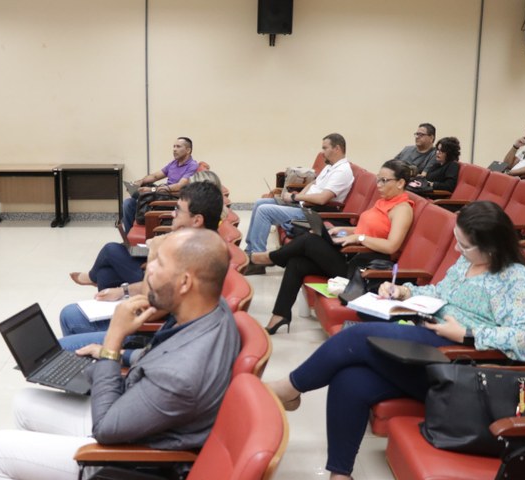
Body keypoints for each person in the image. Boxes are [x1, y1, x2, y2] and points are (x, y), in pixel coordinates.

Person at [267, 201, 525, 480]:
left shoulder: (517, 279)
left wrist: (465, 334)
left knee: (357, 336)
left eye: (464, 245)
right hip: (430, 349)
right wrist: (406, 293)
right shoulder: (467, 262)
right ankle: (340, 477)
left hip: (459, 366)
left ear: (493, 247)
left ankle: (291, 388)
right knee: (351, 379)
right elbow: (441, 294)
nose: (457, 249)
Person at [0, 228, 239, 480]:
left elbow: (104, 429)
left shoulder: (180, 373)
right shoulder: (212, 309)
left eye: (158, 263)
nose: (146, 268)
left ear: (185, 282)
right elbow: (157, 355)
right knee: (24, 402)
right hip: (139, 417)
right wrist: (115, 355)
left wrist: (113, 342)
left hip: (130, 466)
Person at [250, 160, 416, 334]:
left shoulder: (402, 209)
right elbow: (367, 229)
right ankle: (280, 315)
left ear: (400, 183)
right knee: (297, 262)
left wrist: (359, 237)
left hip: (365, 270)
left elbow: (391, 246)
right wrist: (343, 230)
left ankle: (266, 258)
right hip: (352, 257)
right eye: (378, 180)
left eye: (384, 181)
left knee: (309, 240)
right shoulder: (383, 202)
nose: (379, 185)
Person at [59, 180, 224, 346]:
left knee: (67, 321)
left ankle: (87, 360)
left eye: (178, 210)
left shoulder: (194, 256)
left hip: (151, 336)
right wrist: (123, 290)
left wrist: (154, 253)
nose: (173, 214)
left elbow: (150, 308)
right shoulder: (200, 242)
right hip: (156, 322)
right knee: (105, 275)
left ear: (197, 220)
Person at [243, 133, 354, 273]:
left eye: (325, 148)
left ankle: (257, 260)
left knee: (264, 211)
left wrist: (296, 198)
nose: (322, 152)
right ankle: (249, 251)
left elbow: (322, 199)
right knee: (260, 203)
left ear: (337, 148)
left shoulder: (343, 171)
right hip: (304, 204)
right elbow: (314, 183)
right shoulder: (330, 166)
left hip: (315, 212)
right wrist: (298, 196)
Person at [121, 137, 198, 232]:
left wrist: (152, 190)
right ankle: (129, 240)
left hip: (173, 199)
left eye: (178, 147)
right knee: (128, 203)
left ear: (188, 150)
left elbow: (179, 186)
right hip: (162, 194)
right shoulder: (174, 163)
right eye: (174, 146)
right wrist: (140, 181)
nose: (174, 149)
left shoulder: (192, 166)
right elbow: (155, 176)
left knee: (138, 195)